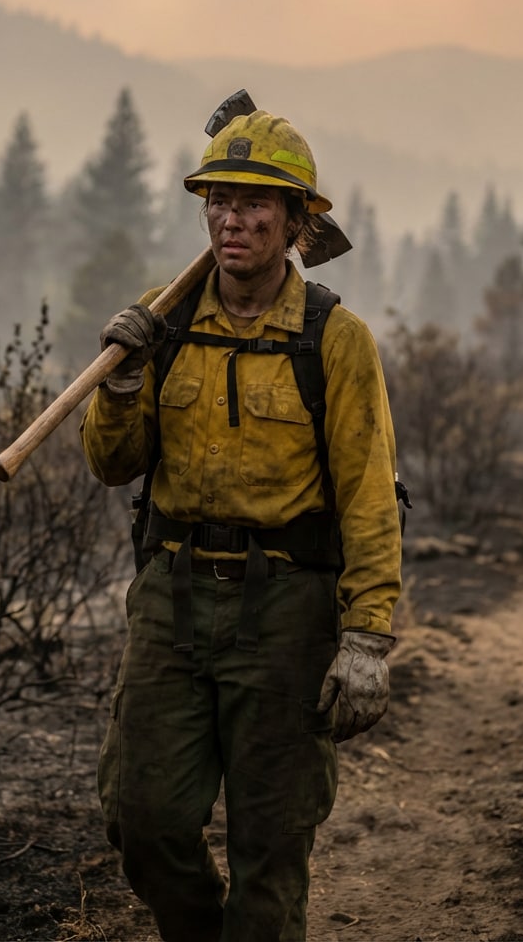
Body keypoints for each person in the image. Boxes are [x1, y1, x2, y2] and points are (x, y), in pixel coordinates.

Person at [79, 105, 403, 942]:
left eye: (256, 203)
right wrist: (121, 385)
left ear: (296, 223)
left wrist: (366, 639)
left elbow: (369, 497)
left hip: (287, 611)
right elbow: (112, 464)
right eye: (219, 199)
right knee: (142, 819)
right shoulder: (162, 322)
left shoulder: (335, 340)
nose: (232, 218)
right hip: (172, 598)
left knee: (273, 840)